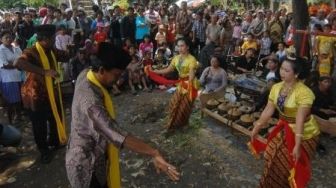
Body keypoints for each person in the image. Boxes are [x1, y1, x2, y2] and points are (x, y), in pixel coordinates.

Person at [66, 42, 179, 188]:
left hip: (97, 155)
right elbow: (115, 133)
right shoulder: (91, 103)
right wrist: (153, 152)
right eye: (116, 75)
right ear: (101, 70)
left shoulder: (86, 74)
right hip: (86, 165)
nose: (119, 80)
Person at [250, 57, 320, 187]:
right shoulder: (276, 87)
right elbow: (268, 109)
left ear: (296, 73)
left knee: (287, 165)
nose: (282, 72)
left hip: (304, 133)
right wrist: (256, 127)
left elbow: (299, 117)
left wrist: (297, 144)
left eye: (287, 70)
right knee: (271, 156)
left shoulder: (305, 92)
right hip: (284, 127)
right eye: (281, 68)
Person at [14, 25, 70, 164]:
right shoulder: (31, 51)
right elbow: (18, 62)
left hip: (51, 93)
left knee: (54, 118)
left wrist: (73, 49)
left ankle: (54, 142)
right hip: (35, 96)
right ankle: (44, 151)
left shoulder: (51, 50)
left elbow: (65, 57)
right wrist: (44, 72)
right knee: (39, 125)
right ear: (44, 39)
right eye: (53, 38)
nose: (54, 40)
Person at [147, 38, 199, 129]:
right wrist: (155, 71)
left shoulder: (192, 60)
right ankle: (175, 124)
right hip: (181, 83)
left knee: (184, 107)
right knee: (174, 104)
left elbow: (191, 75)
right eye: (178, 46)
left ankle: (183, 125)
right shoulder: (176, 58)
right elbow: (168, 69)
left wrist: (188, 83)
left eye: (182, 46)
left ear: (187, 47)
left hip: (190, 85)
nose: (180, 48)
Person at [0, 30, 23, 124]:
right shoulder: (0, 50)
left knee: (19, 98)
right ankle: (10, 120)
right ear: (1, 39)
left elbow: (23, 60)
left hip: (19, 77)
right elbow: (5, 65)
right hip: (8, 79)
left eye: (10, 37)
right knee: (10, 100)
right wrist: (17, 65)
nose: (9, 39)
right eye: (6, 37)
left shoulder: (17, 48)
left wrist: (15, 64)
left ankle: (19, 116)